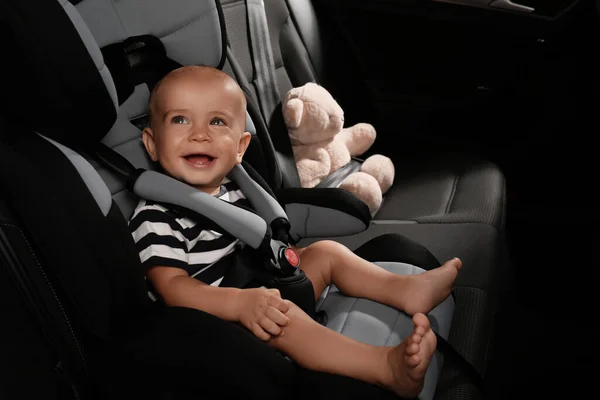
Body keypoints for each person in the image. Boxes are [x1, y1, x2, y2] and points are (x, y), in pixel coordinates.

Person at [129, 65, 462, 398]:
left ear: (241, 146)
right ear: (152, 143)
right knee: (285, 320)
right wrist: (239, 305)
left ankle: (406, 289)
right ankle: (384, 367)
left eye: (216, 122)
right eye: (180, 120)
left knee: (325, 252)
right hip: (218, 325)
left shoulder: (234, 189)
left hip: (258, 288)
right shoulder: (156, 215)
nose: (199, 134)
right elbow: (172, 287)